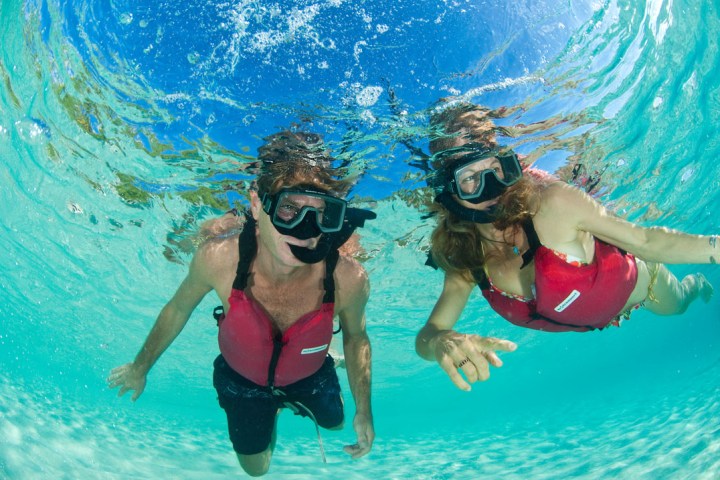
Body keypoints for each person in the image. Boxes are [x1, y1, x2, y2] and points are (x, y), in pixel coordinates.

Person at [108, 131, 375, 476]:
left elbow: (357, 338)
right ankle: (274, 411)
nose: (304, 228)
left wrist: (364, 410)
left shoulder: (348, 279)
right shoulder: (220, 259)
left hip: (309, 375)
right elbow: (177, 309)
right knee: (256, 470)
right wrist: (139, 367)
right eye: (290, 208)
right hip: (242, 381)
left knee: (336, 423)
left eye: (320, 213)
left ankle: (321, 367)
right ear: (256, 204)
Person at [415, 103, 716, 391]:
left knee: (678, 306)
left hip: (644, 283)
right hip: (601, 315)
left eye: (495, 168)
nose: (492, 187)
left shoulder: (552, 204)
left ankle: (696, 285)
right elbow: (428, 336)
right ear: (447, 190)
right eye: (470, 178)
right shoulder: (468, 260)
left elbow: (646, 241)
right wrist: (442, 341)